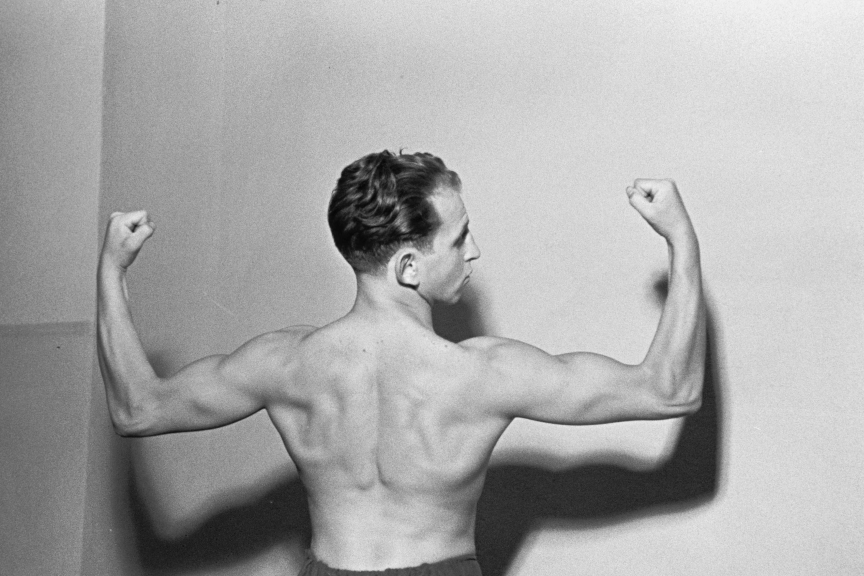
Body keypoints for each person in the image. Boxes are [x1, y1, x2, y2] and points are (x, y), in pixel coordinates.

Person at [97, 150, 705, 576]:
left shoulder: (286, 363)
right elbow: (668, 390)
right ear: (409, 267)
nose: (474, 251)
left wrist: (110, 273)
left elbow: (138, 407)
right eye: (460, 237)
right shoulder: (482, 376)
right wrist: (681, 241)